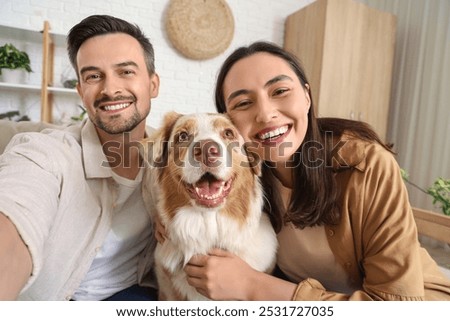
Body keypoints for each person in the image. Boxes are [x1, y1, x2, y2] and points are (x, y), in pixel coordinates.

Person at [183, 41, 450, 300]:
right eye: (243, 103)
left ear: (307, 97)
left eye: (280, 91)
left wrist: (253, 285)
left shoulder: (367, 165)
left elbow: (394, 307)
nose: (265, 114)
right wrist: (160, 215)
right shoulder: (240, 174)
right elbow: (173, 174)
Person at [0, 15, 159, 300]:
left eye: (125, 72)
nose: (110, 89)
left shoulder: (172, 158)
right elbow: (15, 212)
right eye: (93, 76)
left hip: (132, 293)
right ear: (80, 91)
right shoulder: (47, 153)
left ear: (153, 85)